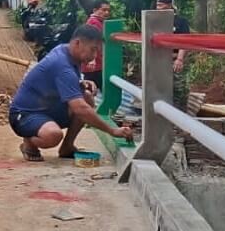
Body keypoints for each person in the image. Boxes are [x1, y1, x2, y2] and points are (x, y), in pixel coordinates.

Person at [10, 24, 133, 161]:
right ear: (78, 43)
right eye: (93, 50)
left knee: (86, 97)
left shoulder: (65, 50)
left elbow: (59, 81)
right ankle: (29, 143)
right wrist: (112, 130)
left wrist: (80, 84)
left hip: (47, 107)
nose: (94, 56)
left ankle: (67, 147)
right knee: (53, 135)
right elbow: (80, 108)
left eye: (97, 52)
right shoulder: (62, 65)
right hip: (24, 114)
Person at [155, 0, 191, 111]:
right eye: (158, 5)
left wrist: (179, 59)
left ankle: (180, 117)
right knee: (160, 88)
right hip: (159, 60)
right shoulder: (154, 21)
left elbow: (185, 42)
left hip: (175, 59)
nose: (159, 8)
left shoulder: (180, 22)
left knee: (179, 90)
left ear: (170, 6)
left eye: (162, 5)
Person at [81, 0, 112, 90]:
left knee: (90, 92)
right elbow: (90, 40)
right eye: (103, 10)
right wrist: (92, 59)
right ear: (95, 10)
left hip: (96, 65)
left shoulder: (99, 22)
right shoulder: (93, 23)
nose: (106, 13)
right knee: (91, 92)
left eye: (108, 10)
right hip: (94, 66)